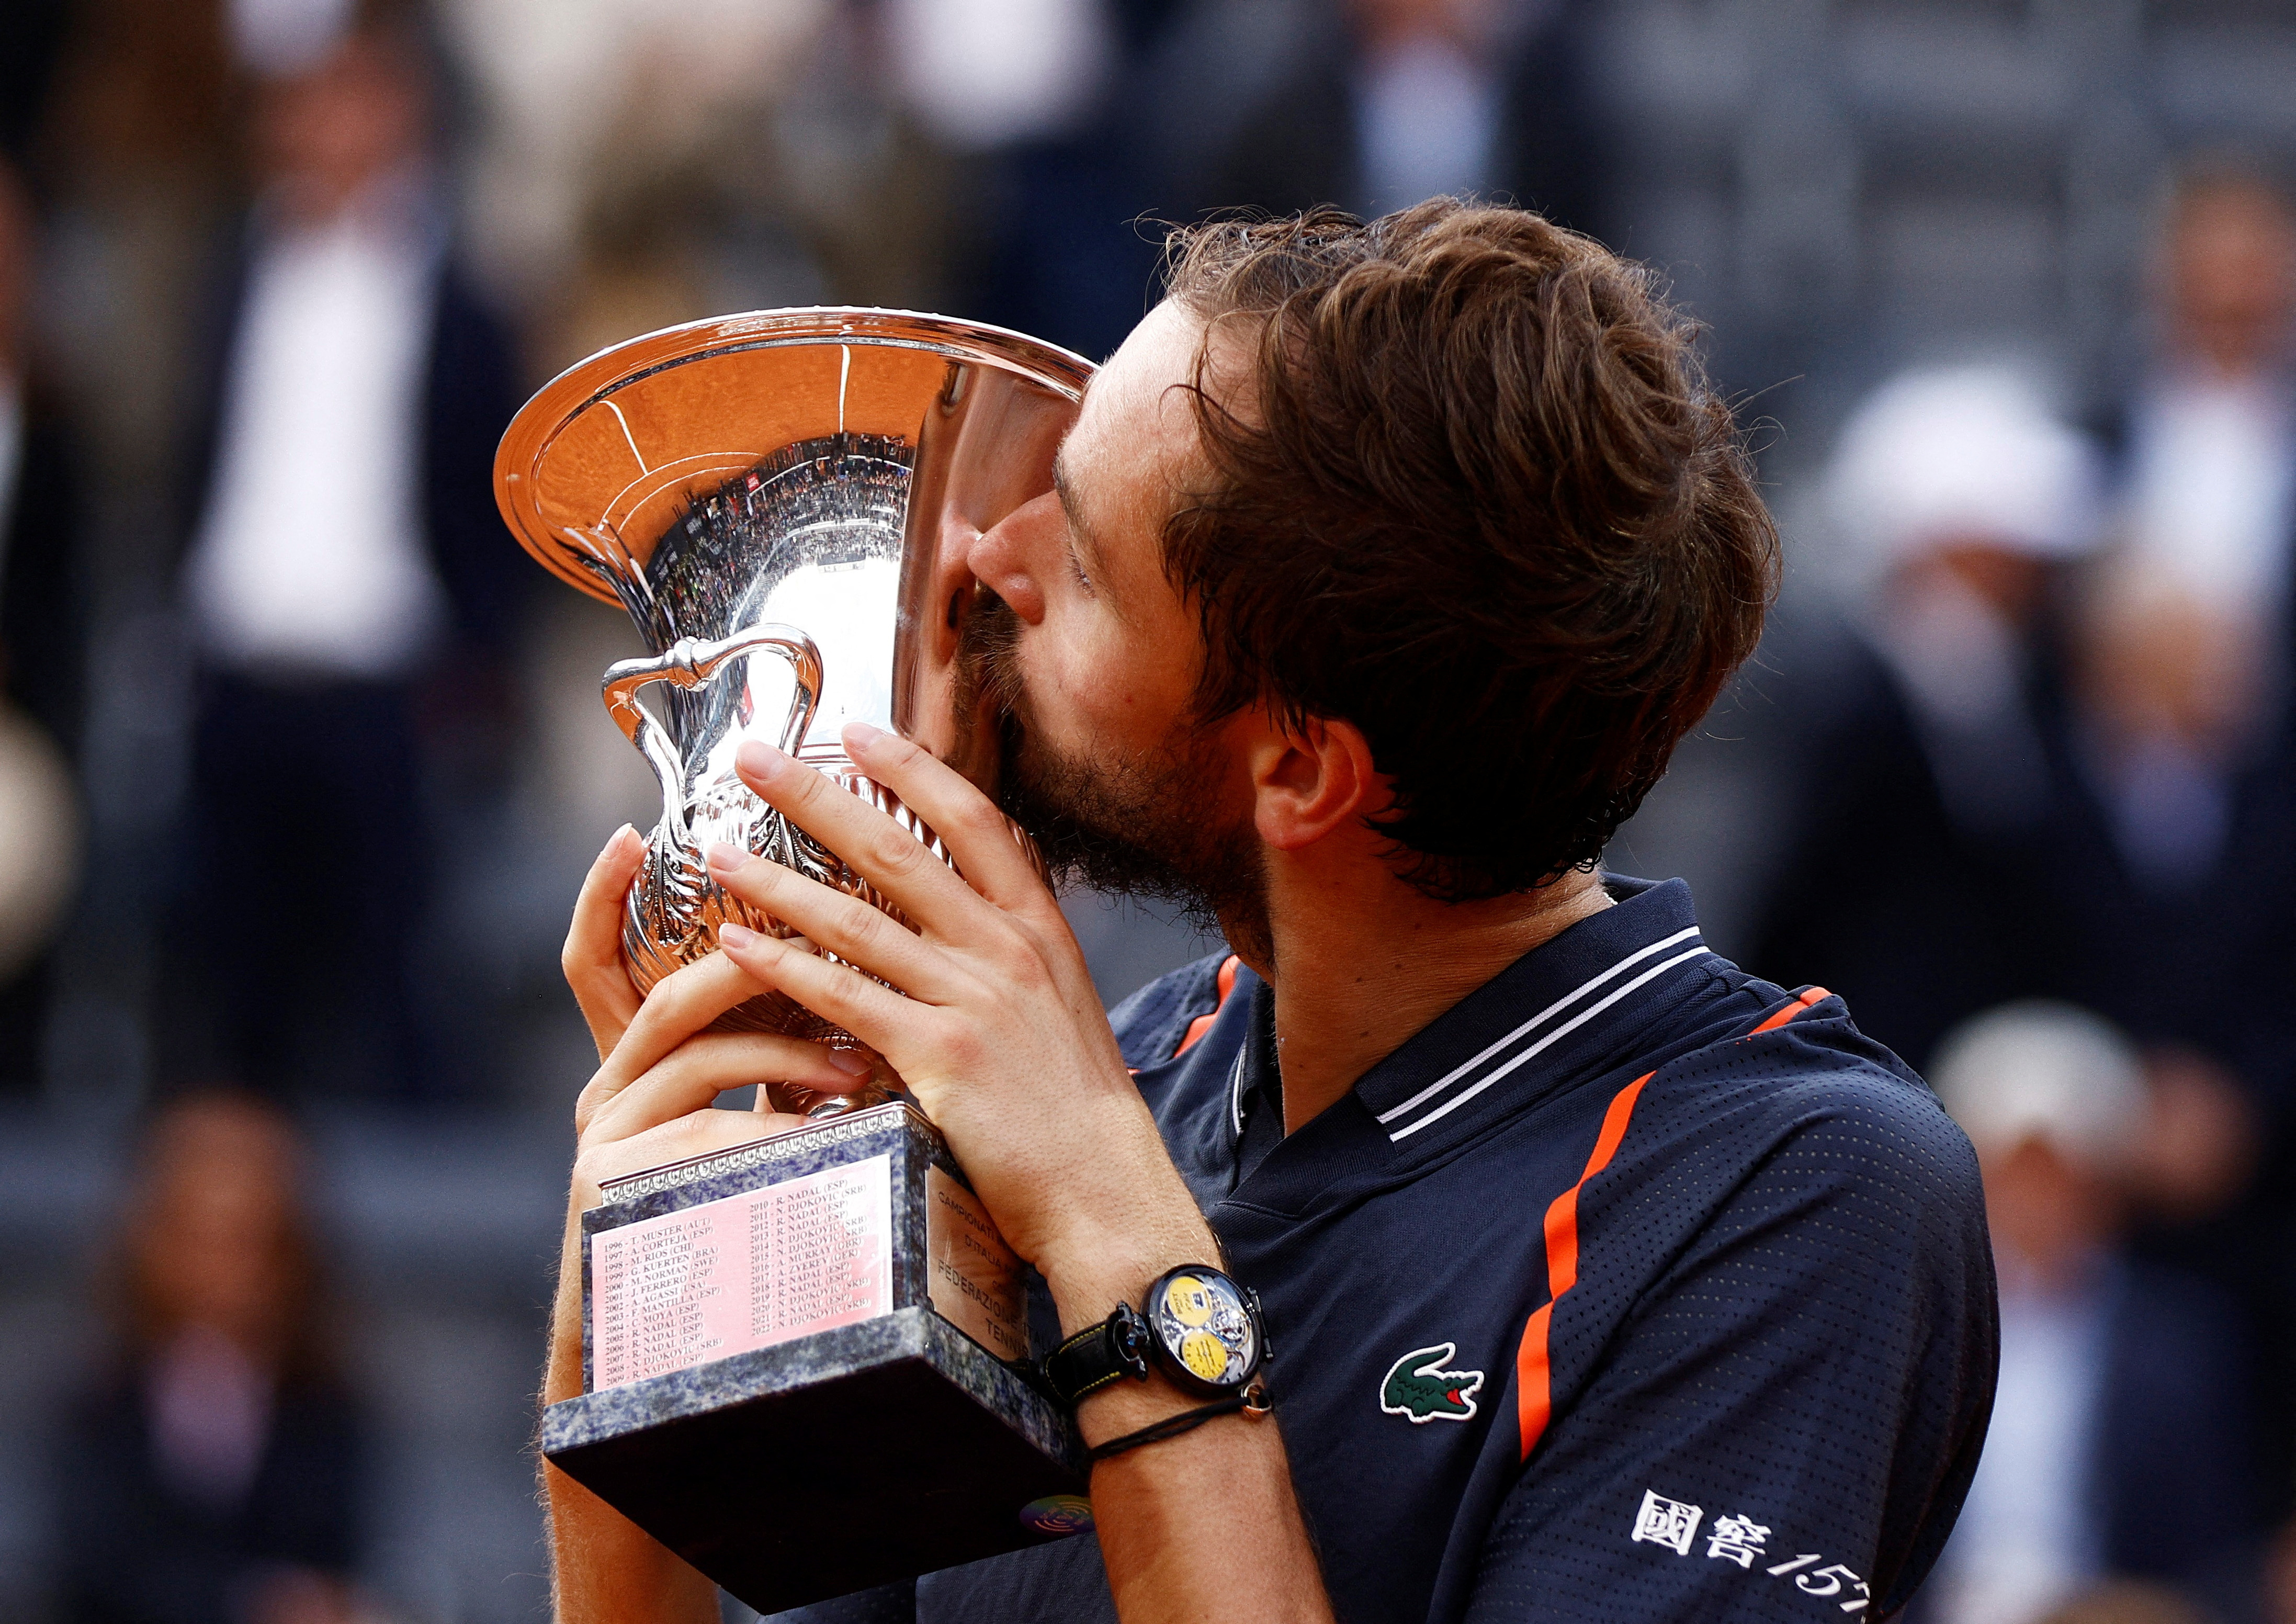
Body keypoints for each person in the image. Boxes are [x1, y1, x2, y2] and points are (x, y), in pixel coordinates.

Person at [542, 201, 1997, 1622]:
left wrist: (1117, 1236)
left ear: (1300, 768)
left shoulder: (1790, 1195)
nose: (993, 555)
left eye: (1090, 563)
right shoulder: (1103, 1082)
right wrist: (627, 1352)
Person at [162, 10, 525, 1101]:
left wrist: (475, 668)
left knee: (395, 987)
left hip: (387, 680)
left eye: (353, 97)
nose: (326, 127)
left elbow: (488, 492)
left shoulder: (466, 298)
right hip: (238, 663)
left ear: (404, 111)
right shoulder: (224, 270)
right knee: (233, 985)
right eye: (305, 101)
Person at [1750, 365, 2098, 1072]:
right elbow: (1801, 909)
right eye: (2007, 542)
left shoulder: (2016, 686)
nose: (2034, 566)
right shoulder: (1855, 707)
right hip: (1872, 1075)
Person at [1922, 1004, 2256, 1624]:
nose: (2038, 1200)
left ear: (2109, 1182)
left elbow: (2210, 1548)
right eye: (2014, 1172)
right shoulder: (1903, 1319)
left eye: (2064, 1174)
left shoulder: (2181, 1341)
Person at [50, 1091, 367, 1624]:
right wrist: (250, 1601)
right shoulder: (99, 1407)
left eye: (254, 1241)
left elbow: (339, 1546)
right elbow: (102, 1564)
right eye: (206, 1238)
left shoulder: (326, 1413)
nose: (229, 1271)